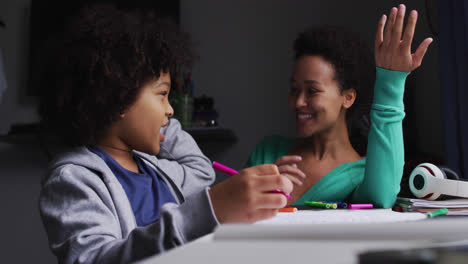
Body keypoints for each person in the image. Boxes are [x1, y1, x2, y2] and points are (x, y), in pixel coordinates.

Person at [38, 4, 293, 263]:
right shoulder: (73, 179)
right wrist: (208, 210)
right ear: (120, 100)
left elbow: (202, 170)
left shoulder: (158, 170)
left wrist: (157, 120)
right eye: (162, 95)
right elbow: (94, 258)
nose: (171, 110)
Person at [246, 4, 433, 208]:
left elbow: (382, 198)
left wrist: (391, 81)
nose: (298, 102)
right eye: (294, 90)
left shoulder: (363, 174)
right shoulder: (268, 152)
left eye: (312, 91)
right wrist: (256, 186)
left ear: (348, 97)